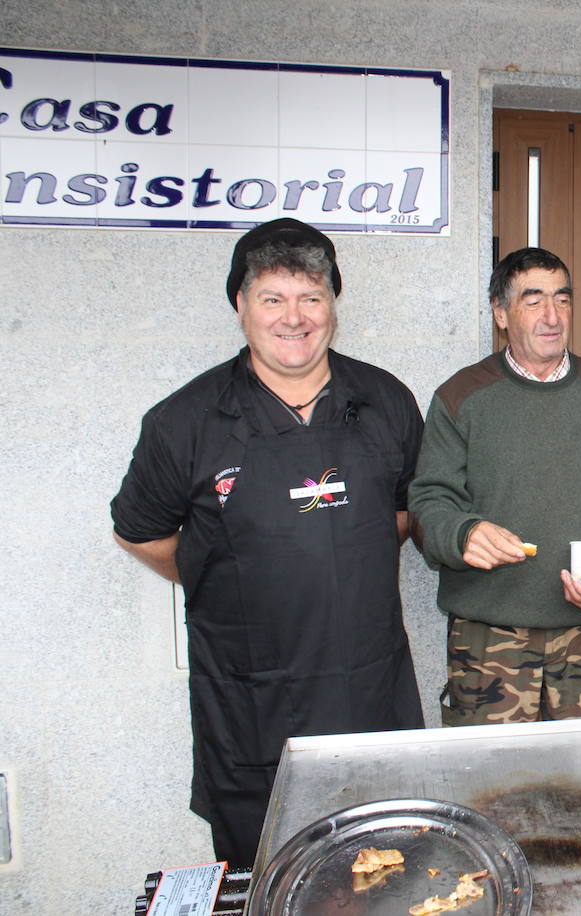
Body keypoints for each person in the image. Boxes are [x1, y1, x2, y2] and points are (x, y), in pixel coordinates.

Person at [110, 218, 425, 866]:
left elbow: (407, 513)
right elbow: (141, 532)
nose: (294, 317)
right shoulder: (186, 422)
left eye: (312, 296)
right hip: (253, 714)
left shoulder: (387, 400)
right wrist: (233, 569)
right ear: (241, 306)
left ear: (333, 306)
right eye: (272, 298)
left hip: (372, 697)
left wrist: (328, 554)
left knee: (389, 874)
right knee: (271, 880)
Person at [409, 247, 581, 726]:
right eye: (533, 301)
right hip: (488, 634)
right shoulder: (461, 397)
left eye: (562, 299)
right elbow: (429, 499)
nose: (552, 316)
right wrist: (463, 534)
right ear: (500, 314)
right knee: (491, 785)